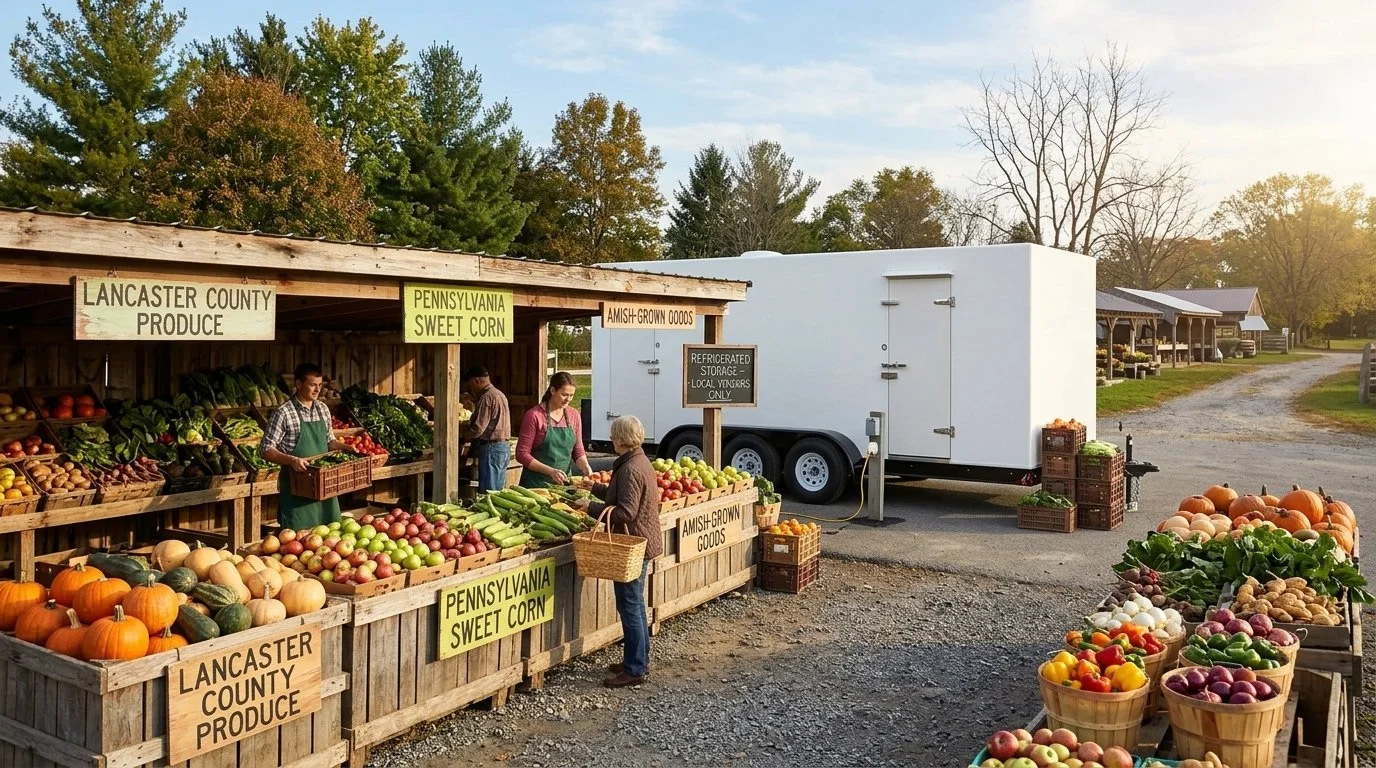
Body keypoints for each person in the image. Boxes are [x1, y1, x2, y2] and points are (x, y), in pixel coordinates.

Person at [575, 415, 660, 688]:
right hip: (641, 540)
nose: (611, 440)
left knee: (631, 606)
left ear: (621, 440)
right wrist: (596, 488)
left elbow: (625, 512)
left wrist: (588, 507)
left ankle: (635, 669)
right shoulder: (638, 461)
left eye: (613, 436)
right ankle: (638, 660)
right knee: (634, 604)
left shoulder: (631, 469)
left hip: (633, 543)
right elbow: (622, 496)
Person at [261, 363, 354, 529]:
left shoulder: (323, 409)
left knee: (331, 536)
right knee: (297, 541)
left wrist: (345, 447)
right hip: (297, 489)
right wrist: (292, 460)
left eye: (320, 385)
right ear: (298, 384)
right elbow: (266, 449)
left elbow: (329, 442)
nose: (317, 390)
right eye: (312, 385)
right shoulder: (284, 413)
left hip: (325, 486)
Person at [516, 372, 593, 488]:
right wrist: (550, 471)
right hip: (536, 485)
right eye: (564, 394)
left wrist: (586, 468)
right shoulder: (534, 416)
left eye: (572, 395)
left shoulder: (574, 415)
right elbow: (522, 454)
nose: (568, 399)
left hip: (564, 485)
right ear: (552, 390)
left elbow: (578, 450)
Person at [465, 364, 511, 493]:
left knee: (489, 492)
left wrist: (464, 436)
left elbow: (479, 428)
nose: (471, 388)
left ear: (477, 381)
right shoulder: (499, 394)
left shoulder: (487, 398)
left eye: (471, 384)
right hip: (503, 447)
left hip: (492, 448)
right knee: (498, 490)